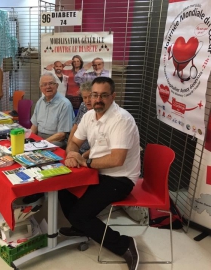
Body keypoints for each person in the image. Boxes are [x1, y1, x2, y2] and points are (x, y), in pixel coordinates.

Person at [59, 77, 141, 270]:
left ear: (113, 96)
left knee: (80, 214)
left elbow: (117, 160)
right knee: (62, 188)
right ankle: (81, 228)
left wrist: (85, 161)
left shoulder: (121, 119)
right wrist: (72, 153)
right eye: (95, 95)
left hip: (120, 177)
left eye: (104, 95)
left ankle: (125, 245)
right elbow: (74, 142)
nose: (98, 100)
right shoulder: (89, 116)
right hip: (97, 172)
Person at [30, 73, 74, 149]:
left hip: (56, 140)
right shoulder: (40, 101)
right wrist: (28, 140)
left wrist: (41, 144)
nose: (48, 87)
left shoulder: (65, 104)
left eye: (51, 83)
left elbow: (61, 135)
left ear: (56, 86)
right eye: (44, 84)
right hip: (39, 138)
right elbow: (34, 126)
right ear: (40, 88)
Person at [67, 81, 93, 158]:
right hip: (77, 148)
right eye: (85, 97)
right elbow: (75, 126)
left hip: (90, 153)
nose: (87, 101)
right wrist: (69, 148)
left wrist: (82, 157)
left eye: (90, 97)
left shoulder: (99, 112)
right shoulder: (83, 106)